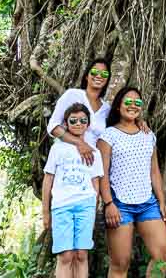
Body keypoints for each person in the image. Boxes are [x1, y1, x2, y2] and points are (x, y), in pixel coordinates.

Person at [97, 86, 166, 278]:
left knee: (161, 255)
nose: (132, 106)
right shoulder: (108, 135)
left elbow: (154, 171)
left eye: (137, 102)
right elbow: (102, 173)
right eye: (127, 102)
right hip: (119, 204)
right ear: (119, 106)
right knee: (120, 262)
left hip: (147, 203)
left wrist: (162, 202)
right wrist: (108, 203)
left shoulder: (148, 135)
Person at [42, 103, 104, 278]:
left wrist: (93, 209)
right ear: (66, 124)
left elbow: (96, 183)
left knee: (81, 254)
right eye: (73, 120)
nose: (78, 124)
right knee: (66, 255)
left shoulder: (95, 153)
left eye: (83, 120)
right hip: (62, 206)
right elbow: (48, 179)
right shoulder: (58, 149)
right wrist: (45, 212)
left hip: (86, 206)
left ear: (88, 123)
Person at [48, 58, 113, 165]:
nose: (99, 76)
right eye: (94, 72)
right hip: (67, 158)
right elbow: (53, 127)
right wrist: (80, 143)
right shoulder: (72, 95)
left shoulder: (107, 109)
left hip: (92, 163)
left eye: (104, 74)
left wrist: (140, 122)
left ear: (107, 80)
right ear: (87, 76)